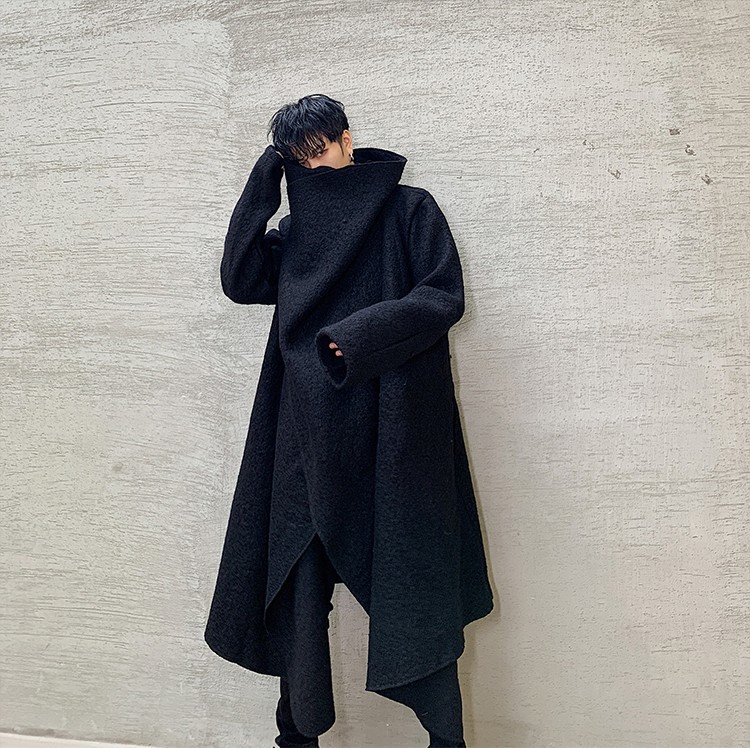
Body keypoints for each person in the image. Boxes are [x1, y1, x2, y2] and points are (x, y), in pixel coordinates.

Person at [204, 94, 494, 748]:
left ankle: (447, 742)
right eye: (300, 159)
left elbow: (442, 295)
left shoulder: (409, 209)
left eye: (322, 150)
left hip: (395, 434)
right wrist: (265, 178)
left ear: (346, 139)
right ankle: (297, 738)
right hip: (306, 440)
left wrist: (353, 340)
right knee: (298, 595)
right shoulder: (295, 232)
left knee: (414, 588)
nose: (317, 167)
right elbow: (241, 278)